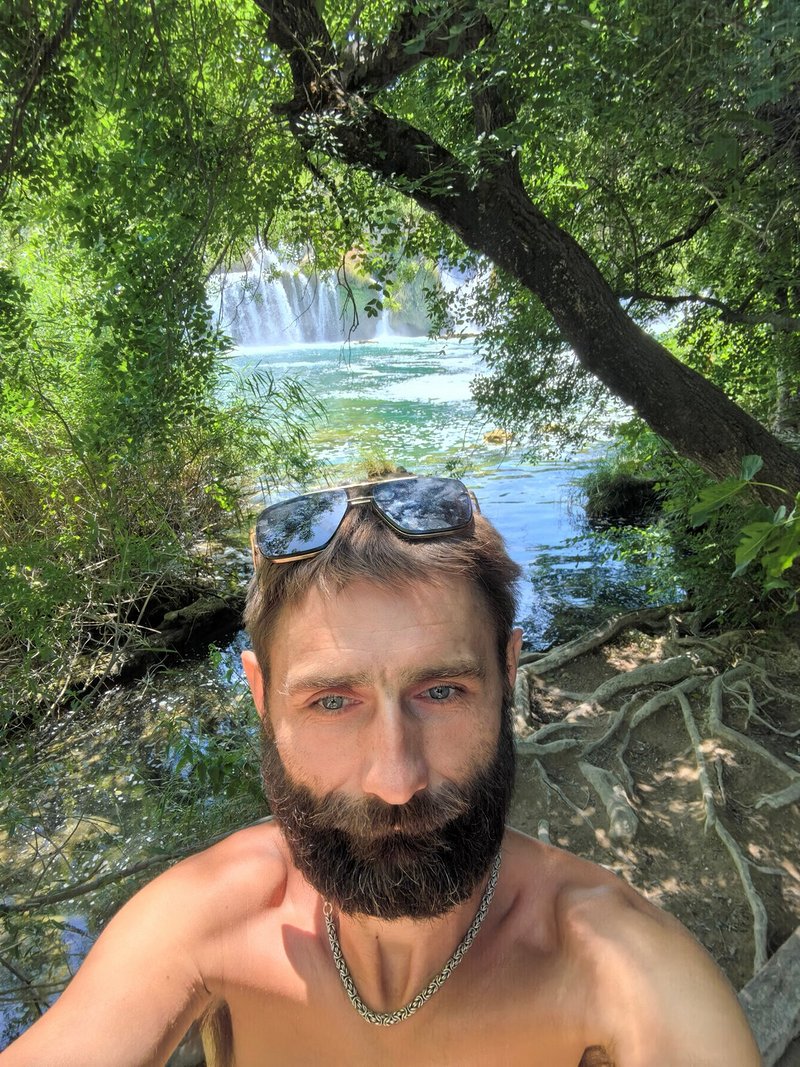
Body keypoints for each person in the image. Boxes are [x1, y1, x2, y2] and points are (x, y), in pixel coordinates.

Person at [2, 475, 762, 1067]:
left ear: (507, 673)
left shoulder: (622, 968)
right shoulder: (206, 923)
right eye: (333, 701)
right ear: (263, 699)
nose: (396, 779)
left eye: (442, 690)